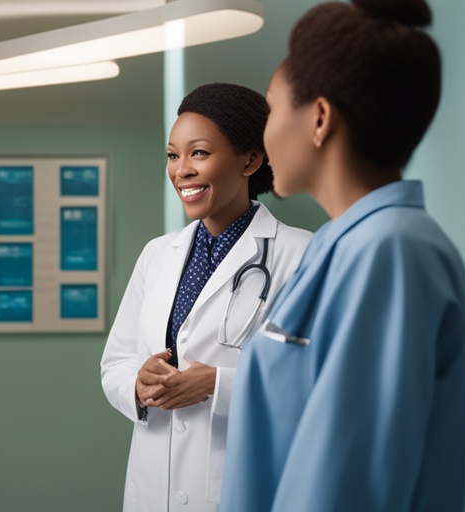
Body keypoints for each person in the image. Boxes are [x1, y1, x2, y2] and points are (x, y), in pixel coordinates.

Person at [219, 1, 465, 510]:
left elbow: (344, 483)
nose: (264, 136)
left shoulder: (392, 253)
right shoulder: (344, 247)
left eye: (271, 110)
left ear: (318, 118)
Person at [101, 83, 312, 512]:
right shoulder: (158, 254)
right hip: (150, 487)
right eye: (173, 155)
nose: (182, 170)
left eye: (199, 153)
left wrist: (217, 384)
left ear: (250, 160)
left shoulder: (302, 254)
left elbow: (314, 378)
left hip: (239, 486)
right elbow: (116, 362)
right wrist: (138, 385)